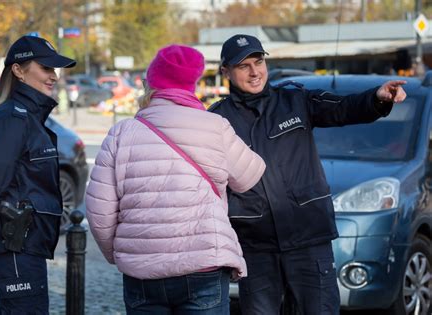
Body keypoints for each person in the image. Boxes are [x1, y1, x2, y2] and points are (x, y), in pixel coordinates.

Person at [209, 34, 407, 315]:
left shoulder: (295, 99)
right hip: (255, 246)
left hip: (308, 240)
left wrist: (377, 99)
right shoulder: (216, 120)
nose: (255, 72)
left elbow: (343, 109)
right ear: (226, 71)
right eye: (244, 66)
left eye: (259, 61)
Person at [85, 44, 266, 315]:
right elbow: (251, 175)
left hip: (143, 276)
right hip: (203, 266)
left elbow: (98, 212)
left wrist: (124, 253)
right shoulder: (215, 126)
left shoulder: (121, 133)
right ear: (191, 83)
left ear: (153, 82)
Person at [0, 35, 76, 314]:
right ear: (18, 70)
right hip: (16, 243)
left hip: (26, 244)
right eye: (45, 68)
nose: (54, 76)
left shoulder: (26, 117)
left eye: (54, 69)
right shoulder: (12, 118)